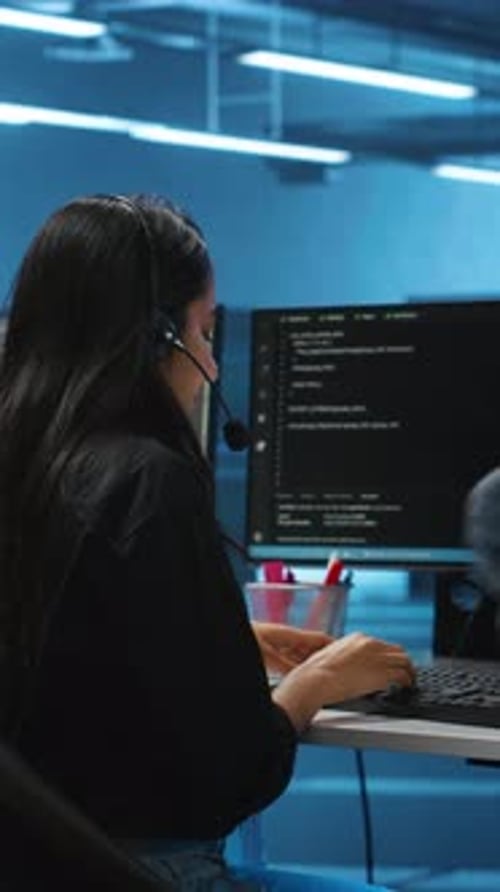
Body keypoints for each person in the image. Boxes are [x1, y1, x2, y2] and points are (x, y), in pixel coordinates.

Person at [0, 194, 414, 890]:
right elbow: (232, 776)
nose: (213, 367)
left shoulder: (26, 462)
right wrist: (319, 682)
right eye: (206, 330)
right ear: (162, 338)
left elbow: (54, 645)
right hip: (149, 869)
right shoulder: (146, 481)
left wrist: (216, 634)